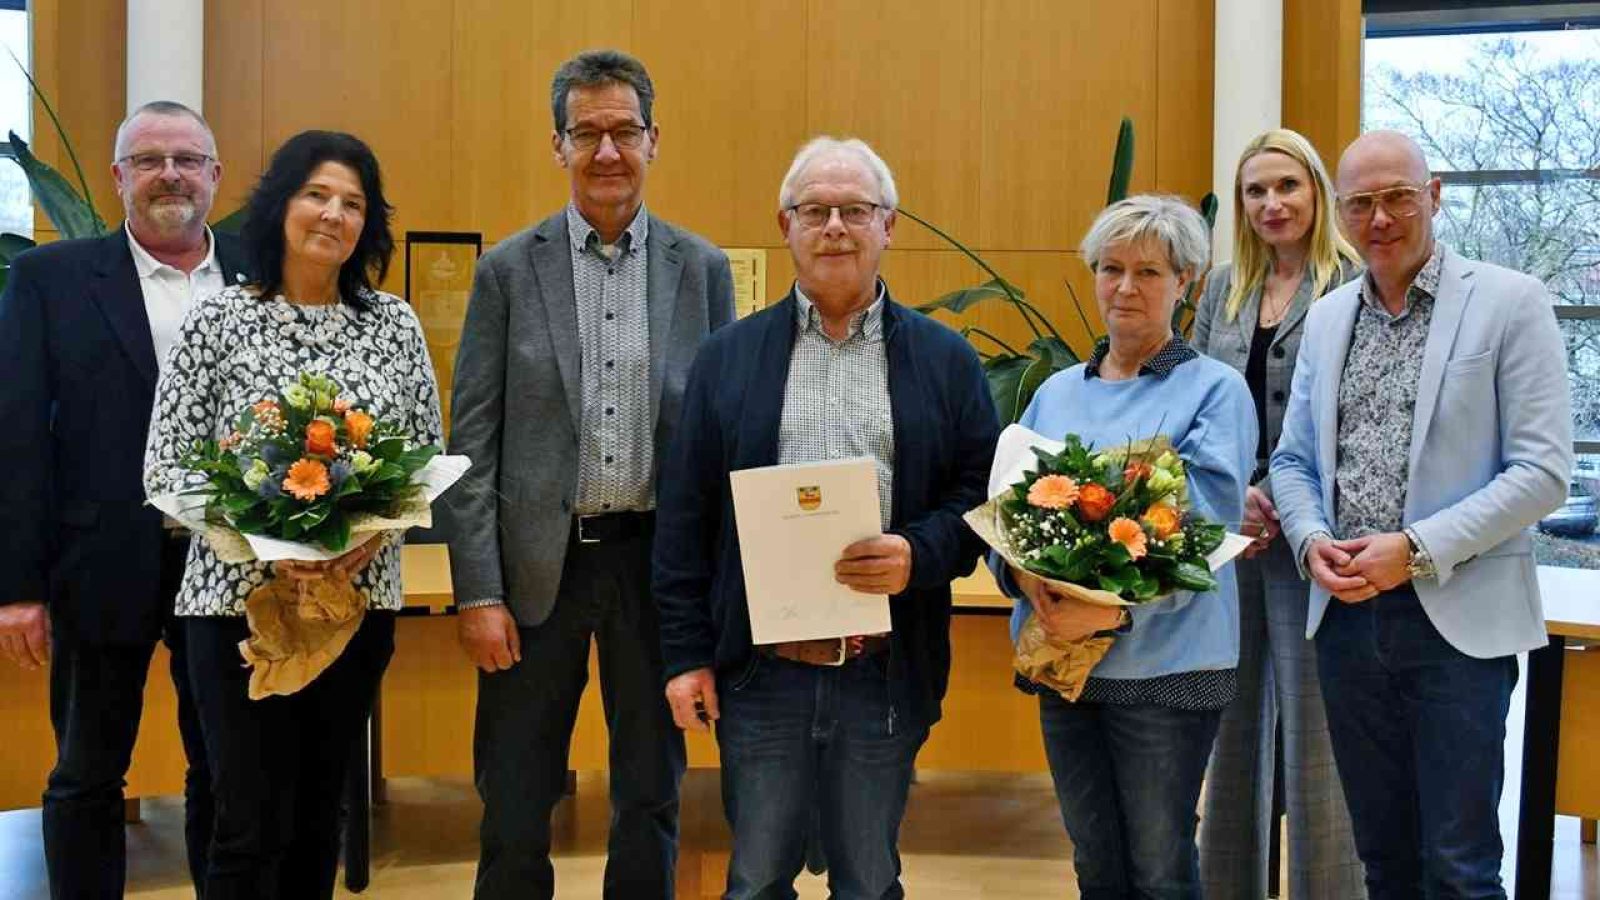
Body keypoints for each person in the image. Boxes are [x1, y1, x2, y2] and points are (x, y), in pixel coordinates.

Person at [653, 136, 999, 899]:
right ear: (786, 226)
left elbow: (980, 498)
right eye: (816, 210)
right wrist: (685, 658)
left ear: (889, 226)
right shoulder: (726, 360)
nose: (835, 225)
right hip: (761, 675)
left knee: (870, 883)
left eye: (855, 210)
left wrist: (919, 551)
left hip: (882, 667)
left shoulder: (946, 361)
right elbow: (684, 522)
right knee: (754, 881)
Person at [445, 48, 734, 900]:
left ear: (654, 140)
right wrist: (477, 592)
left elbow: (719, 439)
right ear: (558, 145)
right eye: (587, 133)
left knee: (651, 785)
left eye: (624, 132)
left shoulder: (701, 270)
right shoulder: (507, 269)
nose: (607, 151)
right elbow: (472, 443)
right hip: (540, 567)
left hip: (656, 565)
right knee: (516, 787)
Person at [1270, 130, 1572, 898]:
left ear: (1433, 195)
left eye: (1398, 197)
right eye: (1362, 203)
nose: (1381, 218)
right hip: (1344, 623)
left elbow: (1542, 473)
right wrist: (1308, 542)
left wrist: (1416, 548)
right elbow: (1295, 461)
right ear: (1339, 214)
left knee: (1460, 868)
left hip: (1457, 626)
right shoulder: (1330, 317)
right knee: (1384, 861)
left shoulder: (1511, 302)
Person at [143, 129, 441, 899]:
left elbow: (424, 460)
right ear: (279, 206)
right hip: (235, 609)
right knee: (247, 820)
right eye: (316, 194)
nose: (332, 214)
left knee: (319, 814)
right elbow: (165, 466)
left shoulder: (394, 325)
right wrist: (268, 545)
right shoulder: (217, 322)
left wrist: (359, 546)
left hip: (354, 605)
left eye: (352, 203)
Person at [0, 99, 244, 898]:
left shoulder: (262, 272)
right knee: (88, 772)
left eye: (185, 158)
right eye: (148, 159)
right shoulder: (51, 280)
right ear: (117, 179)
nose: (168, 173)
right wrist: (20, 587)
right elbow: (20, 436)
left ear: (215, 175)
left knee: (224, 765)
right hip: (98, 562)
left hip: (232, 566)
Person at [996, 194, 1255, 899]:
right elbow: (1009, 518)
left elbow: (1201, 527)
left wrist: (1108, 612)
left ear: (1185, 284)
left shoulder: (1215, 391)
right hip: (1066, 666)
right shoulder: (1054, 391)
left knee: (1160, 868)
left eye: (1148, 271)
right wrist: (1027, 582)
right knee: (1095, 865)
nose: (1126, 287)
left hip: (1167, 669)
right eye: (1111, 268)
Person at [1191, 128, 1366, 899]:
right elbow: (1193, 404)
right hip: (1232, 540)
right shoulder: (1222, 289)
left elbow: (1358, 422)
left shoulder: (1352, 283)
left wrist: (1284, 503)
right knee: (1227, 735)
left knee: (1315, 741)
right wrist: (1236, 497)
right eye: (1255, 191)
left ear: (1317, 194)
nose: (1271, 203)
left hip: (1316, 540)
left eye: (1286, 187)